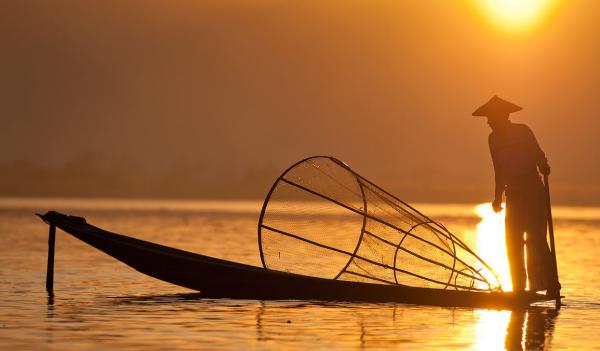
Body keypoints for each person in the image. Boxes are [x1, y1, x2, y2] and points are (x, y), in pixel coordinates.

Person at [472, 95, 560, 296]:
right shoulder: (492, 140)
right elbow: (498, 171)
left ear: (504, 117)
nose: (489, 123)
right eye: (488, 120)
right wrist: (497, 198)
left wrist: (544, 166)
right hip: (513, 194)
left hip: (532, 190)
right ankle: (519, 289)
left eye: (492, 119)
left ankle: (551, 285)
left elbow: (538, 155)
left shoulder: (522, 132)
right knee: (513, 240)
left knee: (536, 238)